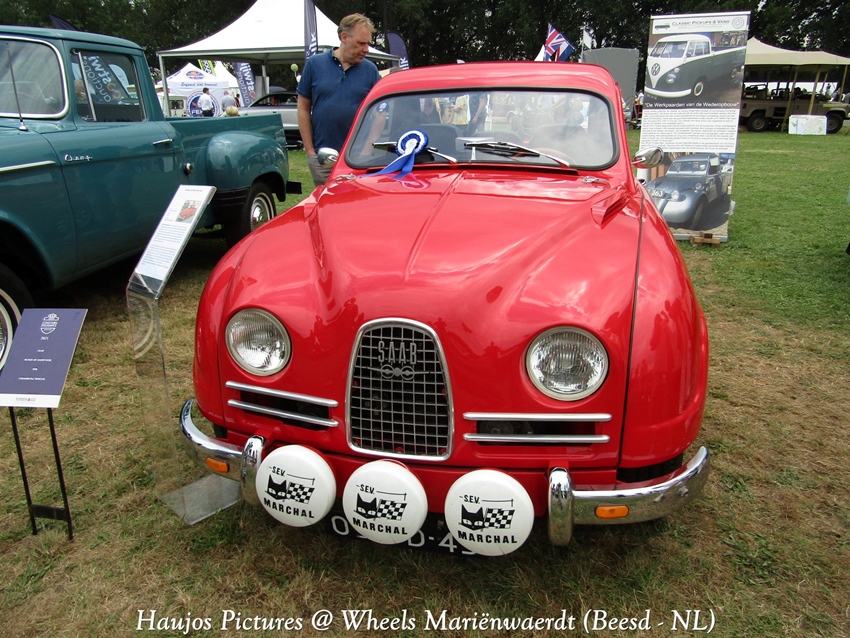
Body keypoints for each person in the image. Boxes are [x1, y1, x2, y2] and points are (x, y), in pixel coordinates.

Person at [297, 13, 381, 186]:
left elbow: (380, 114)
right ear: (344, 37)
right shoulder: (314, 65)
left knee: (357, 201)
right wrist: (310, 152)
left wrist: (366, 151)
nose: (366, 49)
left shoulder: (371, 70)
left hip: (358, 160)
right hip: (323, 158)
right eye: (361, 43)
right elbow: (303, 108)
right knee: (326, 201)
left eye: (368, 44)